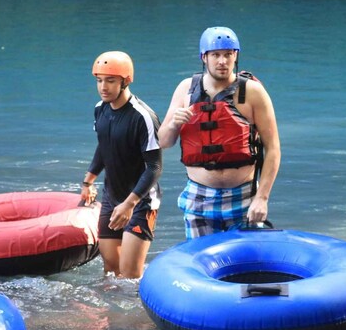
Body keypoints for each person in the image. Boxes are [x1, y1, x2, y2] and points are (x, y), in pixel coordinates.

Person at [159, 26, 281, 239]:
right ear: (204, 57)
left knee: (244, 267)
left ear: (236, 56)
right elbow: (164, 141)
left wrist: (262, 198)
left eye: (228, 54)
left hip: (243, 197)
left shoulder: (252, 92)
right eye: (216, 55)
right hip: (199, 198)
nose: (222, 61)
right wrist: (173, 125)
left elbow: (273, 148)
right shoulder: (185, 89)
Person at [81, 51, 162, 279]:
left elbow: (154, 167)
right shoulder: (101, 109)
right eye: (99, 80)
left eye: (110, 80)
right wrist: (88, 181)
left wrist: (129, 204)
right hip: (112, 197)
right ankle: (113, 316)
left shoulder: (143, 117)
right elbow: (103, 146)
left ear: (125, 81)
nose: (103, 87)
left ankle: (138, 314)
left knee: (129, 276)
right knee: (111, 271)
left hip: (140, 202)